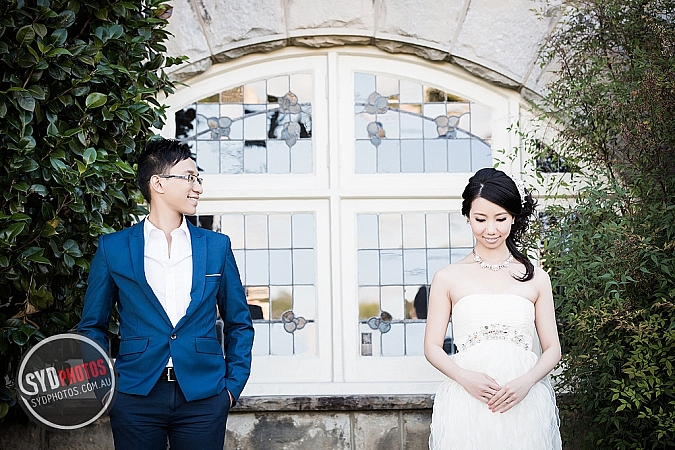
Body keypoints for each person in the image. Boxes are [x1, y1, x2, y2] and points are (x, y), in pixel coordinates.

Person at [78, 138, 254, 450]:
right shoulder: (113, 247)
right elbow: (92, 326)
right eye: (189, 177)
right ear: (158, 183)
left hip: (204, 396)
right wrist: (104, 388)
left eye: (198, 179)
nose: (198, 187)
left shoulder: (216, 246)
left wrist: (231, 388)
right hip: (134, 395)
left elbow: (239, 322)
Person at [424, 167, 561, 449]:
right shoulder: (447, 277)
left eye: (500, 219)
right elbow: (432, 347)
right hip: (467, 399)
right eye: (480, 219)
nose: (490, 229)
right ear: (467, 217)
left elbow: (553, 349)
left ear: (513, 217)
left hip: (523, 401)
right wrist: (465, 378)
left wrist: (527, 382)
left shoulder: (536, 278)